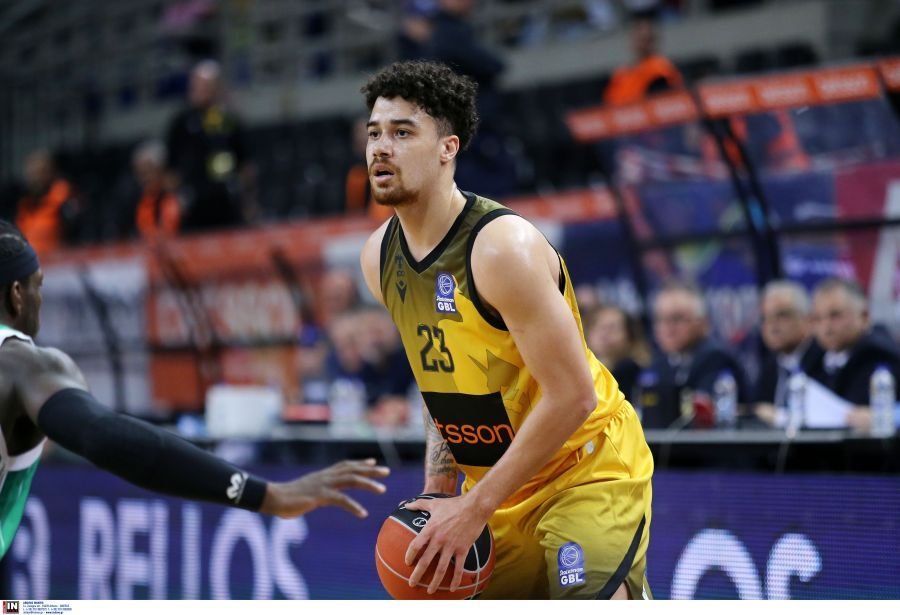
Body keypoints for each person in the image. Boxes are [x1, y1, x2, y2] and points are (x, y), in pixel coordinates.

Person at [358, 61, 653, 599]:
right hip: (499, 486)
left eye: (402, 133)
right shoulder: (379, 259)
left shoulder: (499, 248)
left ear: (447, 148)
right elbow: (443, 381)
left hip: (584, 469)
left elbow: (574, 396)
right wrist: (440, 487)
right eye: (375, 133)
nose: (381, 147)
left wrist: (473, 506)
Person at [0, 220, 389, 560]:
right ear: (17, 294)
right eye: (38, 286)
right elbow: (102, 435)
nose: (40, 300)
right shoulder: (25, 363)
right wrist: (267, 494)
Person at [637, 280, 749, 429]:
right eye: (660, 319)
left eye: (676, 318)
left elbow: (701, 413)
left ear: (702, 322)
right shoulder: (657, 365)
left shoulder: (716, 360)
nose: (667, 328)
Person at [165, 60, 255, 232]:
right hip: (192, 201)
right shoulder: (181, 121)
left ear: (217, 88)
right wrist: (174, 201)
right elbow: (171, 168)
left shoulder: (229, 119)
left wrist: (248, 201)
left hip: (226, 199)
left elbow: (245, 164)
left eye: (206, 86)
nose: (200, 90)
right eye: (197, 85)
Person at [803, 277, 900, 432]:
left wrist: (887, 417)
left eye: (835, 316)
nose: (826, 326)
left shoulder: (882, 357)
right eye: (817, 318)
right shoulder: (812, 360)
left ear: (865, 316)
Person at [753, 280, 822, 427]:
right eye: (765, 318)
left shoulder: (825, 361)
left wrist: (778, 417)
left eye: (782, 315)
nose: (772, 326)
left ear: (808, 319)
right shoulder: (770, 366)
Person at [602, 14, 682, 106]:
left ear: (654, 41)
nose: (641, 43)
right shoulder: (620, 73)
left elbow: (663, 104)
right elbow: (608, 103)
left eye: (645, 39)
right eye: (637, 37)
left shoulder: (660, 69)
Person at [15, 150, 80, 257]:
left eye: (41, 172)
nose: (36, 178)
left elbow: (76, 235)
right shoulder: (24, 202)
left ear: (51, 173)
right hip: (32, 261)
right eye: (32, 173)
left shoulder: (63, 196)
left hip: (59, 260)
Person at [585, 304, 652, 402]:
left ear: (629, 336)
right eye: (598, 326)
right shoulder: (580, 370)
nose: (604, 333)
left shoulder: (632, 371)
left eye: (612, 328)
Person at [132, 140, 182, 241]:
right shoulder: (135, 200)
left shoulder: (178, 195)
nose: (144, 178)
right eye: (140, 173)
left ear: (161, 169)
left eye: (149, 171)